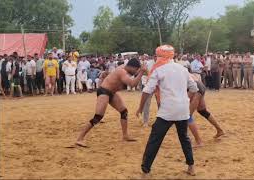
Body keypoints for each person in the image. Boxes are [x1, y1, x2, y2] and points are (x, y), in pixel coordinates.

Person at [136, 45, 197, 176]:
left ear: (161, 56)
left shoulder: (159, 70)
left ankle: (145, 170)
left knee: (155, 139)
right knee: (184, 138)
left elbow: (147, 90)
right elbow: (194, 88)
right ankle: (191, 167)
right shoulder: (183, 69)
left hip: (167, 110)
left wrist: (140, 108)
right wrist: (185, 99)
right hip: (182, 110)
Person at [75, 58, 146, 147]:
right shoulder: (122, 71)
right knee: (98, 117)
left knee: (124, 112)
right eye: (135, 69)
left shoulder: (123, 68)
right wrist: (141, 72)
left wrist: (140, 72)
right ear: (131, 67)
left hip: (111, 92)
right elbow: (132, 84)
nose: (136, 72)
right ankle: (79, 139)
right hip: (104, 91)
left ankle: (125, 135)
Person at [187, 73, 224, 148]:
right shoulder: (183, 70)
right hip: (200, 85)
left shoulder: (172, 72)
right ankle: (220, 130)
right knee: (202, 111)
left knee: (187, 116)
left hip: (196, 88)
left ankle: (199, 141)